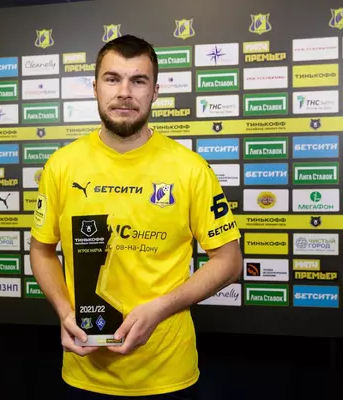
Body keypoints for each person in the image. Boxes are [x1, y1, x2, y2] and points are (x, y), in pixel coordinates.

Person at [30, 34, 243, 399]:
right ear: (95, 87)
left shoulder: (190, 169)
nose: (125, 92)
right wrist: (65, 312)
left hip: (167, 373)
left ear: (155, 91)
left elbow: (229, 260)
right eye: (112, 79)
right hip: (84, 372)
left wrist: (160, 308)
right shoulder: (61, 165)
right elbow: (41, 249)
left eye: (138, 81)